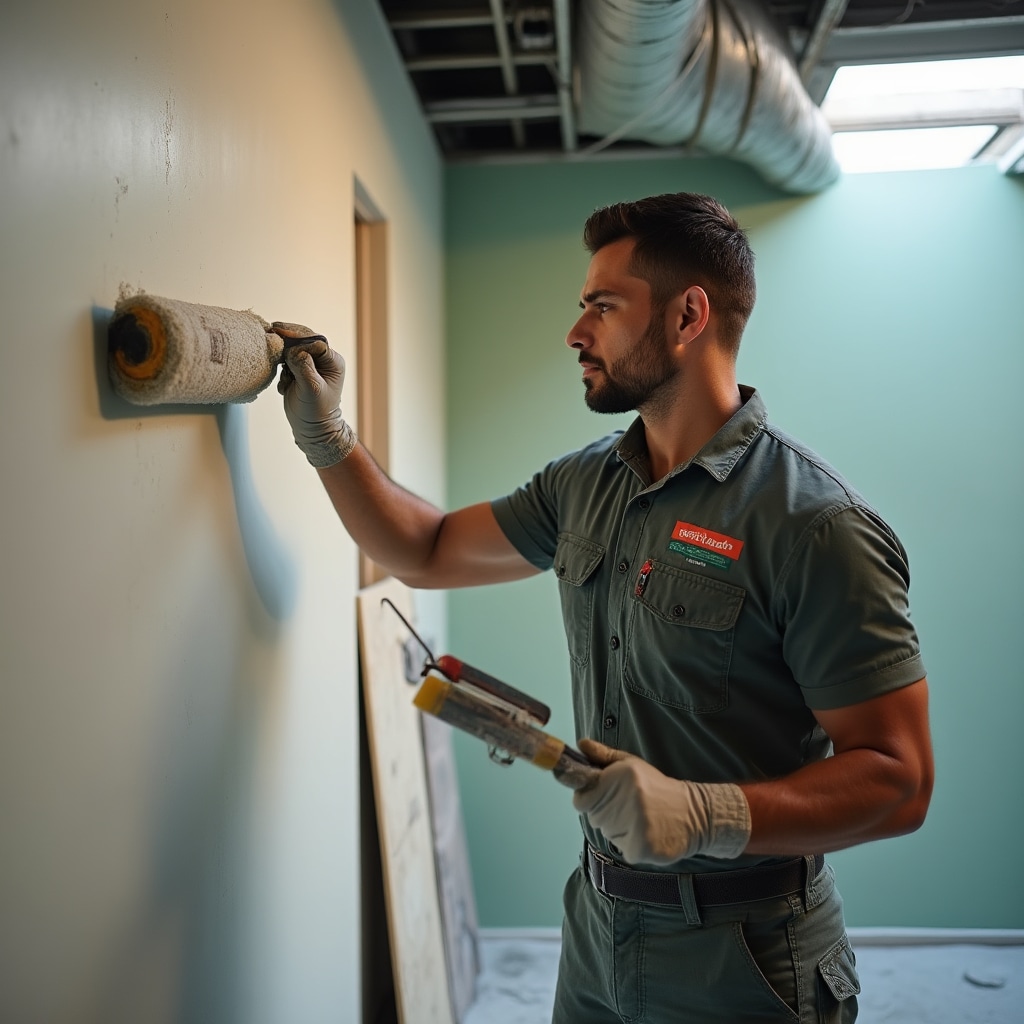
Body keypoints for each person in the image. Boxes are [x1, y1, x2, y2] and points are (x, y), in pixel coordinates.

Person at [276, 192, 934, 1023]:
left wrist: (706, 813)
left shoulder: (815, 526)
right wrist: (326, 432)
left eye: (602, 306)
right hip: (595, 926)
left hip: (746, 954)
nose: (575, 331)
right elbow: (429, 549)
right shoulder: (586, 484)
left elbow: (900, 781)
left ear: (689, 315)